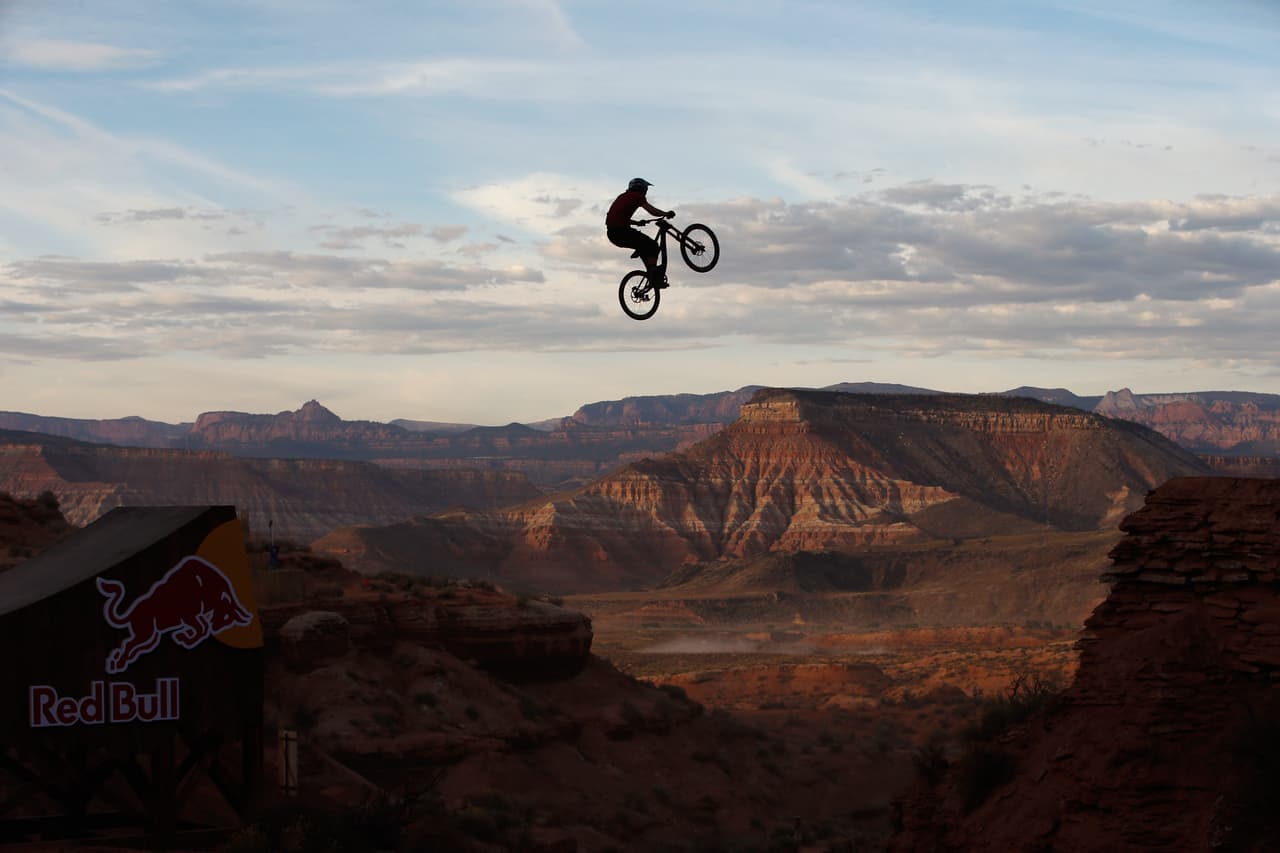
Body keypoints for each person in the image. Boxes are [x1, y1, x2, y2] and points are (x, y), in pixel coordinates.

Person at [606, 178, 675, 288]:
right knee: (653, 246)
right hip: (621, 232)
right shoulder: (638, 196)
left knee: (644, 247)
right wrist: (665, 213)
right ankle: (653, 276)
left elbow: (617, 217)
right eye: (646, 188)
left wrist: (637, 223)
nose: (646, 191)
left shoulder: (622, 197)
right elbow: (652, 210)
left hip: (613, 233)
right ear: (642, 188)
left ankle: (651, 274)